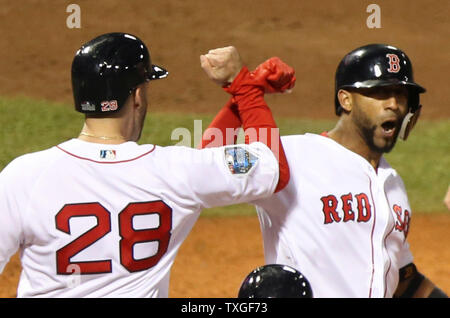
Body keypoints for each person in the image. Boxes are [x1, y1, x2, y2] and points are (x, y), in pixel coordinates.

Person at [0, 32, 295, 297]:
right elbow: (271, 168)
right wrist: (244, 89)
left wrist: (241, 95)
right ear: (138, 96)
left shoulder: (24, 176)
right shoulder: (174, 173)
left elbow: (207, 164)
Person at [201, 43, 448, 298]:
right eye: (380, 92)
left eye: (401, 94)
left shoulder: (392, 183)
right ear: (346, 99)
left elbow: (402, 279)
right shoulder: (292, 157)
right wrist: (244, 91)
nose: (394, 104)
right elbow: (206, 167)